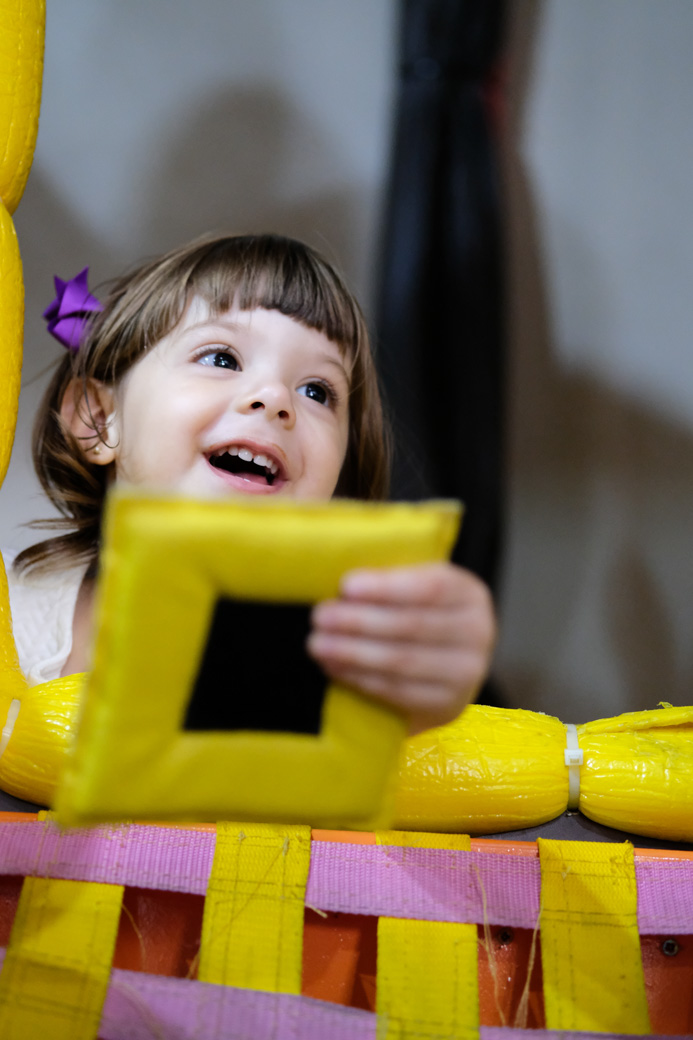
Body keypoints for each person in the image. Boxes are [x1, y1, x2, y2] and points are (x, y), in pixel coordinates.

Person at [8, 233, 495, 735]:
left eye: (317, 391)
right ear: (100, 419)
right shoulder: (10, 615)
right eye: (222, 359)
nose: (275, 397)